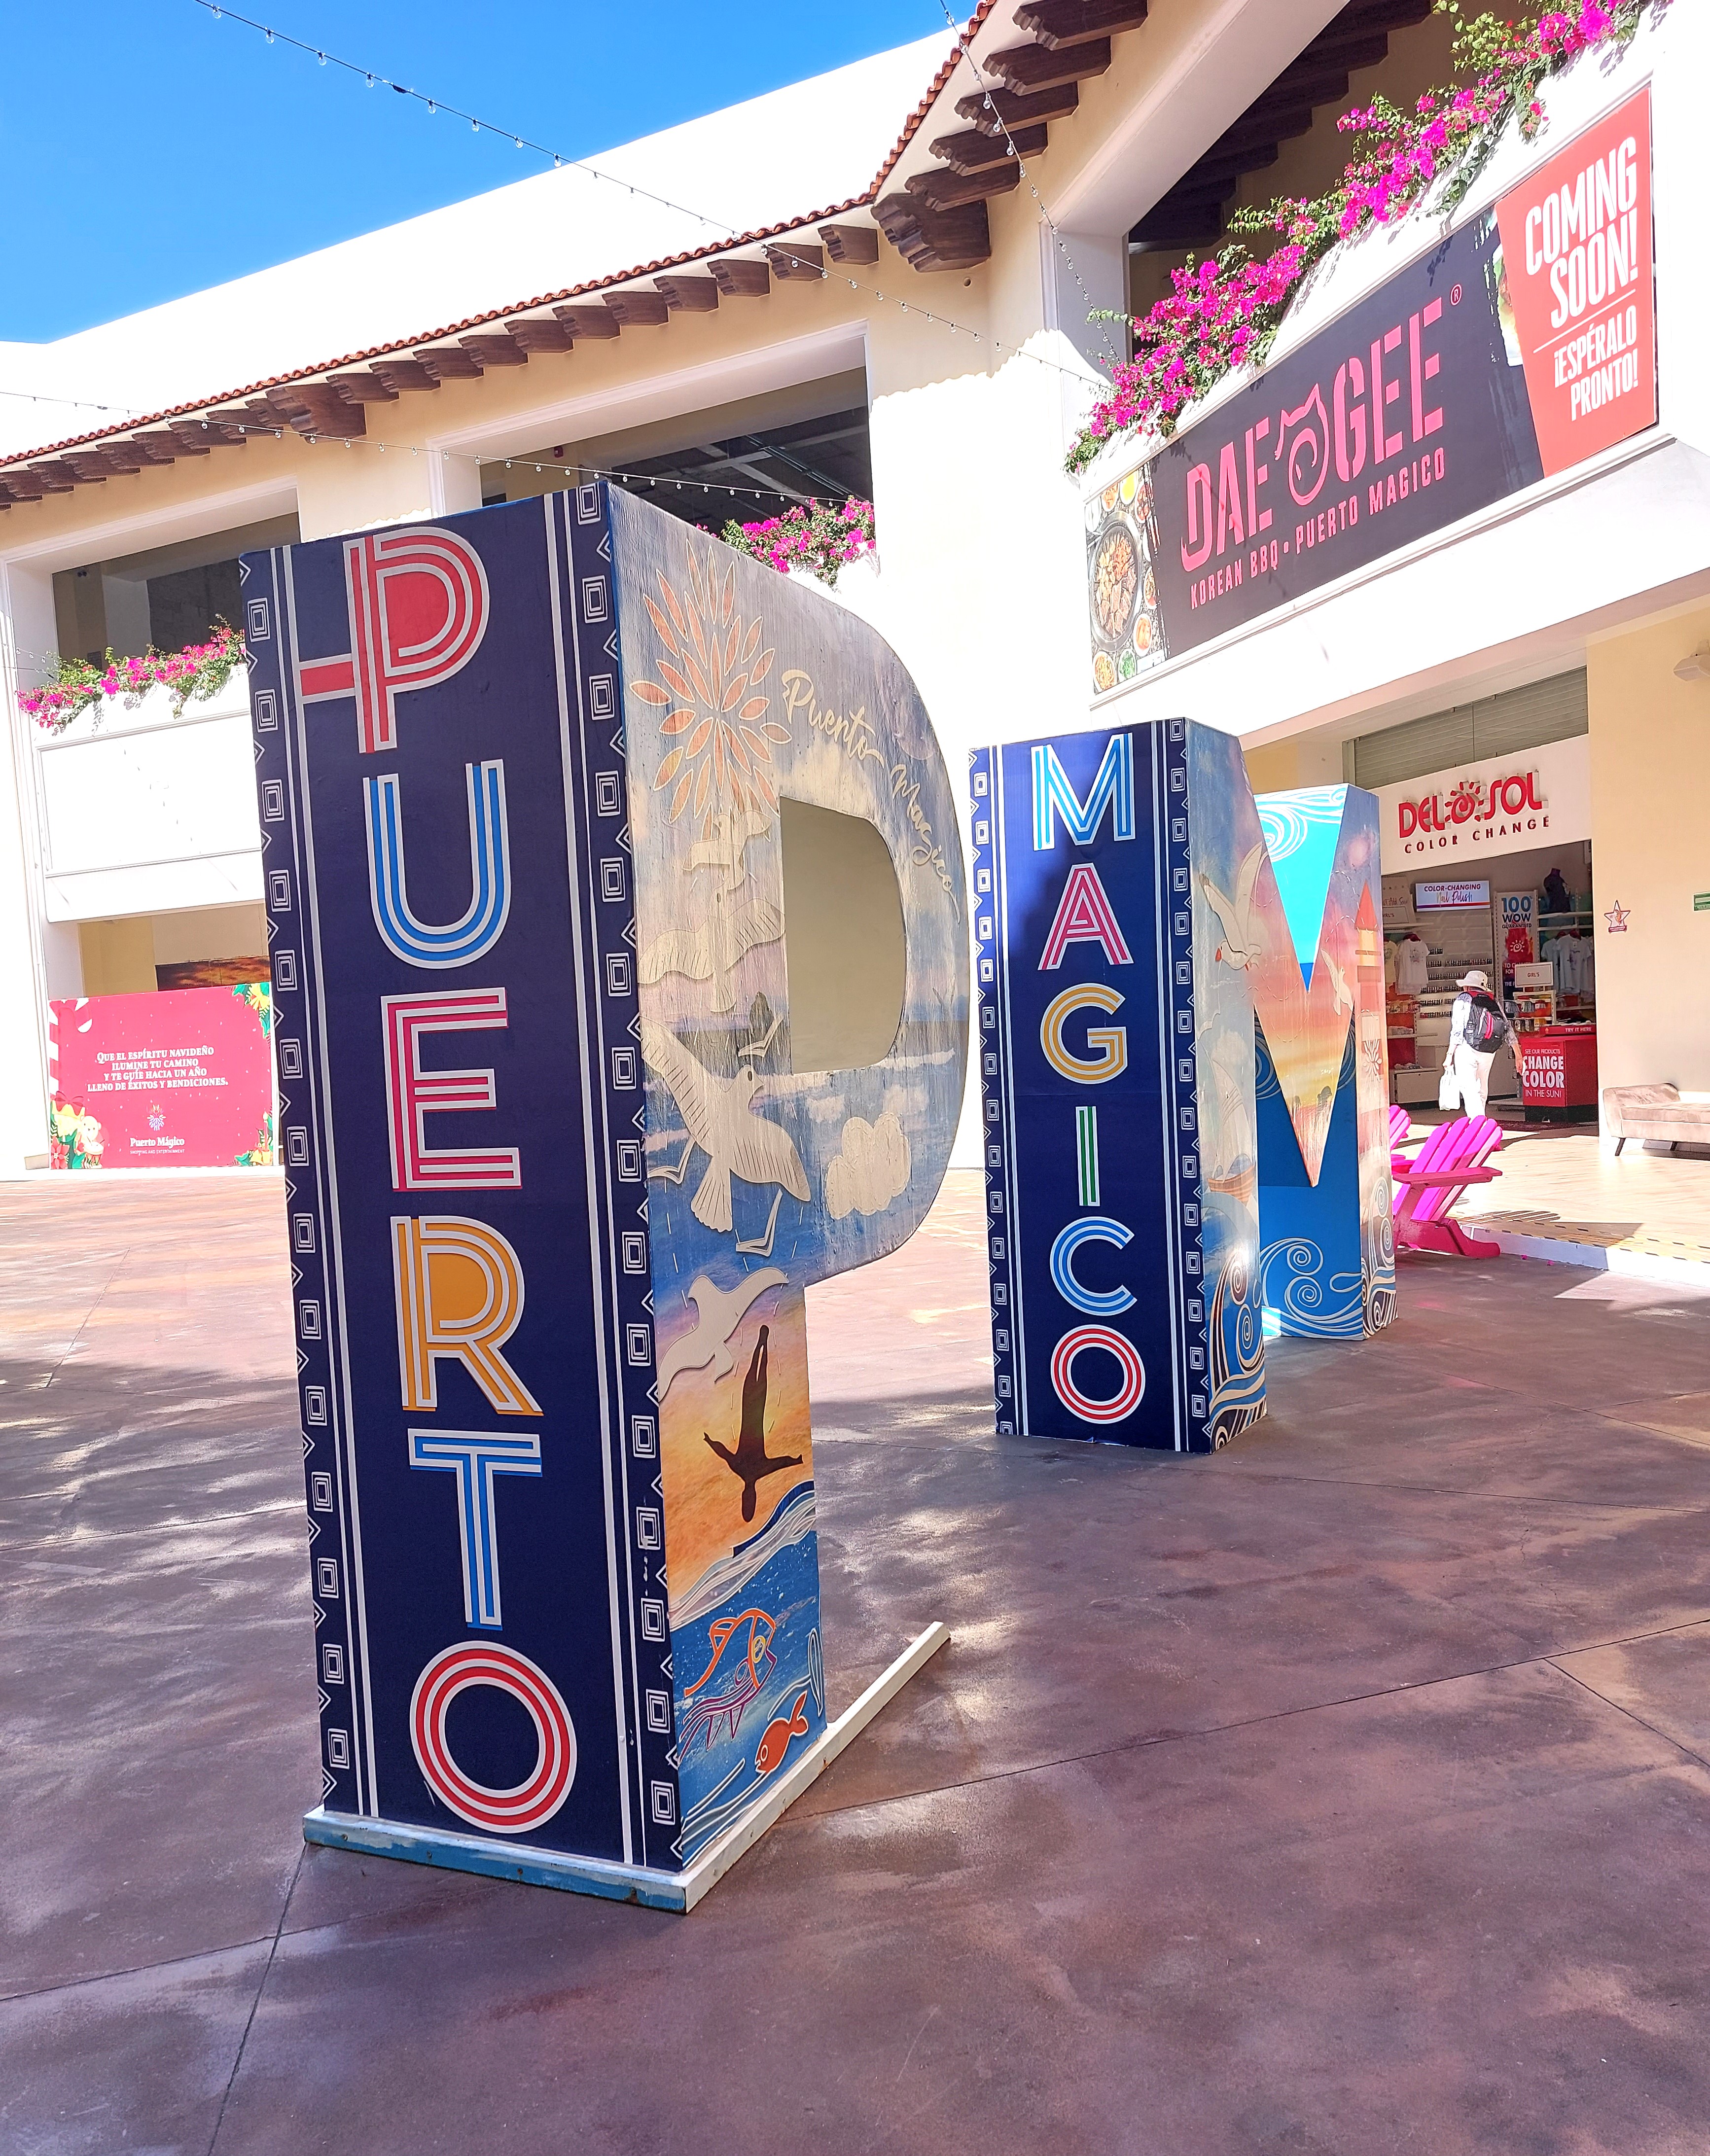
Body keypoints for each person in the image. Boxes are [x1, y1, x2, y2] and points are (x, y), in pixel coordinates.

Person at [1444, 968, 1515, 1119]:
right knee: (1481, 1088)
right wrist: (1519, 1054)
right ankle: (1480, 1120)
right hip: (1489, 1050)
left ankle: (1479, 1125)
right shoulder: (1492, 1000)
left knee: (1468, 1087)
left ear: (1468, 987)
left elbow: (1457, 1029)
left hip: (1467, 1047)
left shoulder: (1463, 999)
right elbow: (1507, 1026)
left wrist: (1449, 1055)